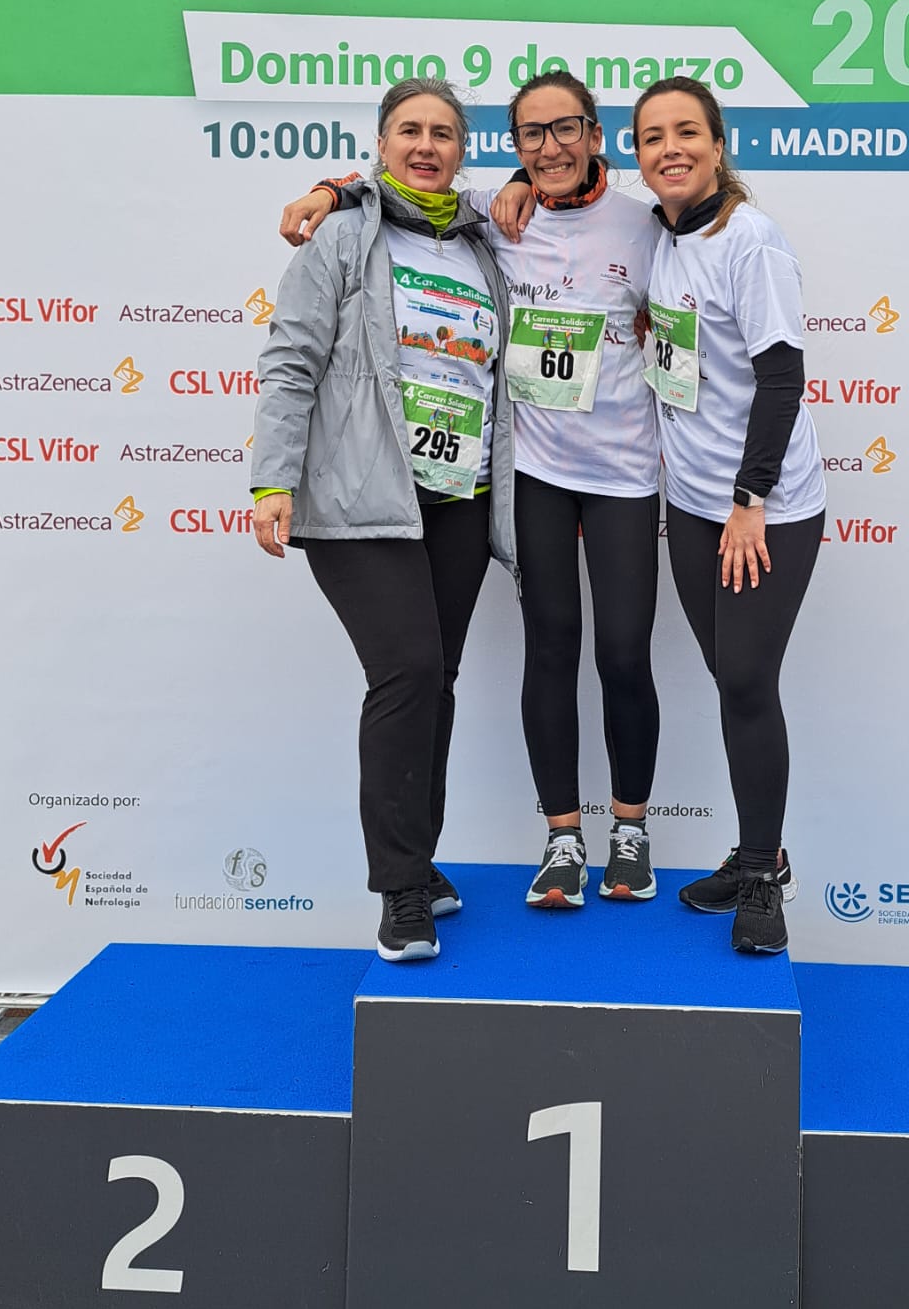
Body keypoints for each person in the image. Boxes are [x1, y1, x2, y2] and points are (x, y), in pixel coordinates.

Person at [279, 72, 664, 912]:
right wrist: (330, 189)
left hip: (589, 477)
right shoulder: (471, 219)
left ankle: (622, 832)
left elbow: (685, 310)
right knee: (502, 657)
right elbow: (301, 342)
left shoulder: (609, 226)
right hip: (504, 480)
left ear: (596, 135)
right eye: (531, 135)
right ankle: (541, 844)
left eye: (566, 129)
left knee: (608, 656)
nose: (550, 147)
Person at [251, 77, 515, 964]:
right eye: (410, 130)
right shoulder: (341, 236)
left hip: (460, 500)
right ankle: (398, 889)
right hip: (360, 498)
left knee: (436, 681)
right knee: (405, 672)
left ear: (462, 151)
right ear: (381, 143)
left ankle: (420, 860)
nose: (426, 145)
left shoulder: (479, 242)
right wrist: (272, 479)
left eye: (444, 133)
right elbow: (291, 360)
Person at [628, 75, 825, 955]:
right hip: (693, 501)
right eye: (652, 137)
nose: (669, 149)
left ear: (717, 144)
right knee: (730, 679)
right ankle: (757, 853)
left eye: (686, 132)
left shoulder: (750, 240)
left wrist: (751, 500)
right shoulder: (662, 237)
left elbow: (782, 378)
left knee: (746, 682)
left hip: (762, 508)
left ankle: (763, 879)